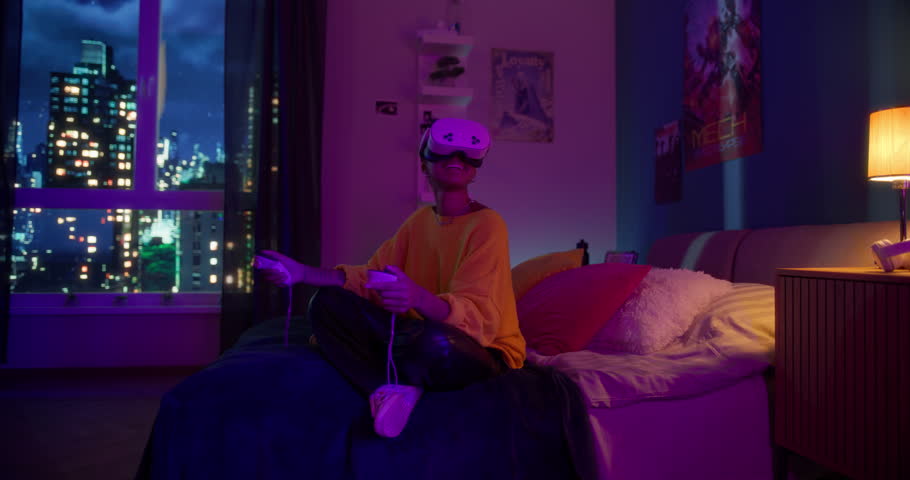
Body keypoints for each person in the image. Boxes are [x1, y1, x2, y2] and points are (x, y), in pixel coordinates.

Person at [255, 118, 525, 438]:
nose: (456, 161)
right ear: (424, 162)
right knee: (326, 303)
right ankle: (384, 389)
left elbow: (480, 319)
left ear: (475, 166)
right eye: (444, 153)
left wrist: (417, 298)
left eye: (466, 156)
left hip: (479, 350)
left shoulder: (488, 225)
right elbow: (372, 278)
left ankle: (395, 375)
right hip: (417, 331)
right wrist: (303, 273)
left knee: (434, 343)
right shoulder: (420, 220)